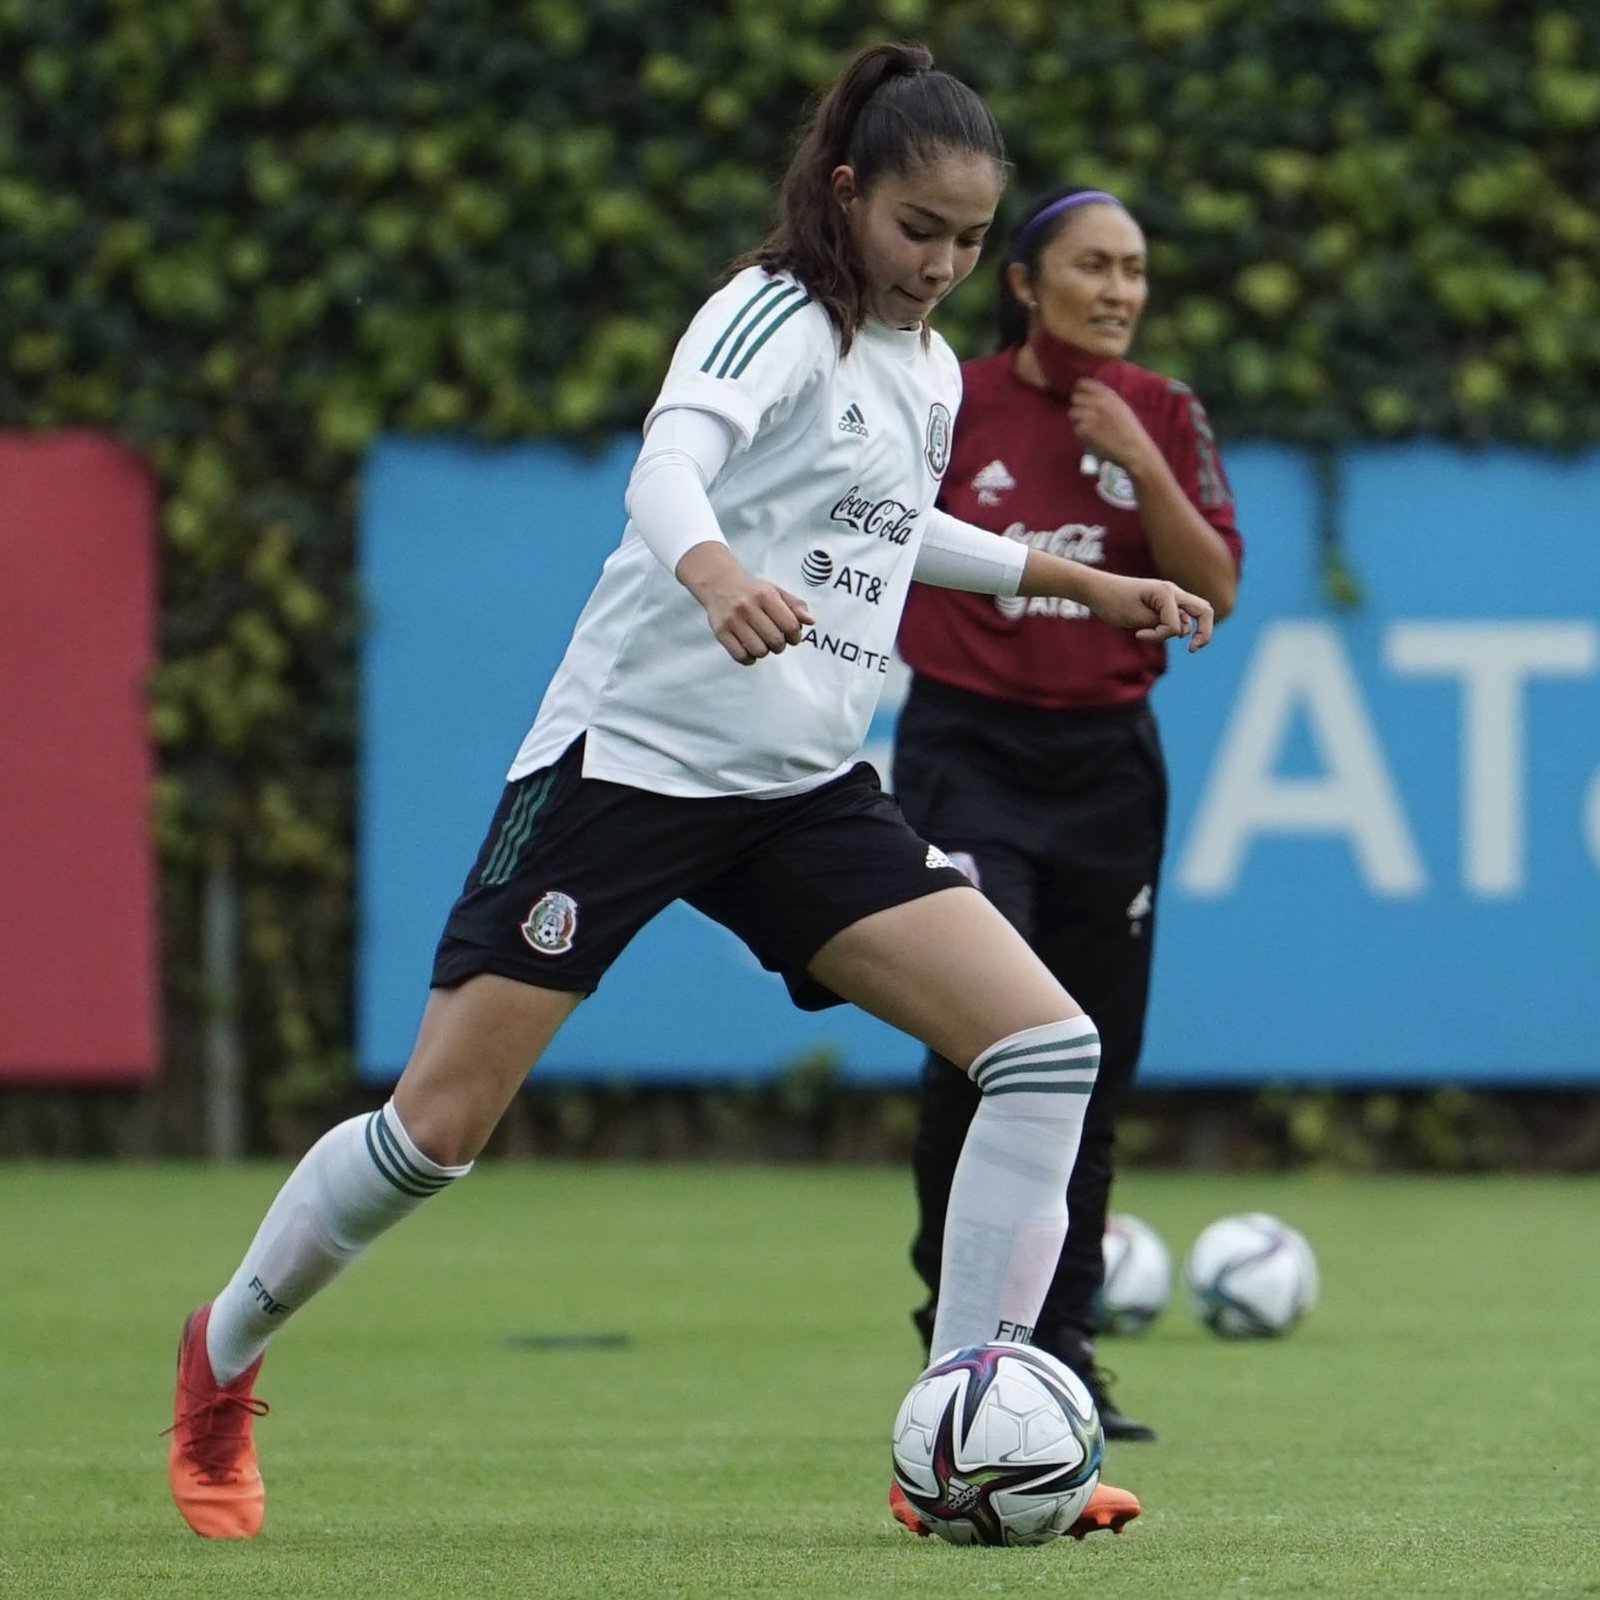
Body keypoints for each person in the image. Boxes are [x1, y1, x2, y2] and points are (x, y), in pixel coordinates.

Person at [163, 49, 1212, 1542]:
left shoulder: (924, 370)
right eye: (918, 228)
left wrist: (1079, 583)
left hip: (802, 794)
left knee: (1047, 1049)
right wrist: (716, 575)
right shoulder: (771, 311)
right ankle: (221, 1357)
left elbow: (892, 530)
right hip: (626, 772)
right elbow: (668, 469)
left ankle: (958, 1434)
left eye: (971, 241)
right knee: (435, 1132)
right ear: (845, 194)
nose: (942, 265)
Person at [892, 185, 1242, 1441]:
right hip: (966, 752)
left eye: (1134, 269)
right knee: (987, 1044)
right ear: (1025, 283)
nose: (1118, 290)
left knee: (1090, 1059)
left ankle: (1065, 1349)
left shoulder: (1164, 413)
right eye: (1092, 266)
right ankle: (956, 1338)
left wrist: (1139, 460)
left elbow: (1214, 588)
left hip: (1106, 767)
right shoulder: (950, 397)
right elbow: (877, 533)